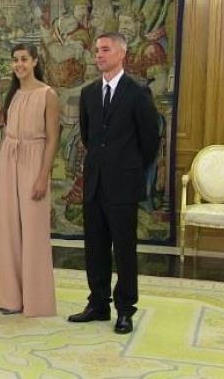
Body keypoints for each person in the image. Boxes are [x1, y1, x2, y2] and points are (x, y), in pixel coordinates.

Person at [67, 32, 160, 334]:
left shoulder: (137, 93)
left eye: (105, 50)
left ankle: (125, 309)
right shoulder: (90, 93)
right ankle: (98, 303)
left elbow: (149, 142)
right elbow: (87, 135)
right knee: (94, 246)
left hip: (123, 184)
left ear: (121, 53)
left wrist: (128, 168)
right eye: (97, 51)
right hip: (94, 182)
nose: (99, 55)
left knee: (124, 249)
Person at [0, 43, 61, 317]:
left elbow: (53, 138)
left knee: (33, 229)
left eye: (23, 59)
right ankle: (9, 297)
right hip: (9, 159)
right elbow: (6, 133)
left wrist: (44, 174)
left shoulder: (48, 94)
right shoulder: (14, 94)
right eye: (15, 60)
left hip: (34, 159)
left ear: (34, 62)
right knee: (6, 227)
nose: (19, 64)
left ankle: (36, 300)